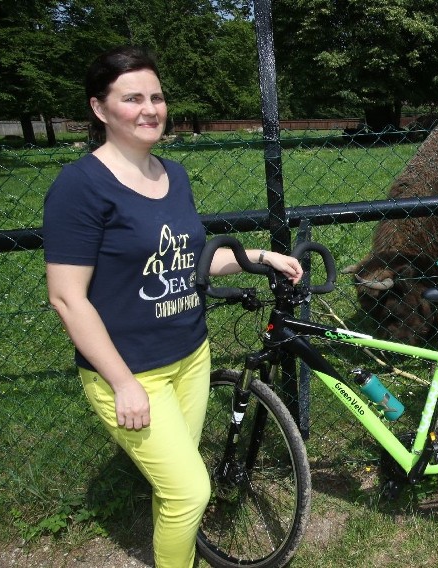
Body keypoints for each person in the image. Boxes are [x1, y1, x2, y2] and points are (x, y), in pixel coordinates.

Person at [43, 45, 303, 568]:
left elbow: (189, 262)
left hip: (191, 357)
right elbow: (67, 298)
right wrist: (121, 382)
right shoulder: (80, 186)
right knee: (190, 493)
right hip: (131, 371)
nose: (149, 109)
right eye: (132, 97)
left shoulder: (173, 174)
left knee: (178, 489)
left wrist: (259, 255)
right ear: (100, 109)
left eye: (156, 97)